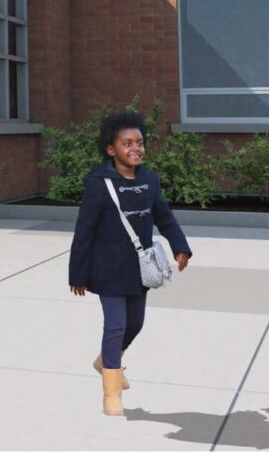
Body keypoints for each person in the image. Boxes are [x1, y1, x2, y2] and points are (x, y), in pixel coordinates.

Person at [69, 110, 192, 416]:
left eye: (139, 142)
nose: (136, 148)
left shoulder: (150, 179)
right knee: (116, 325)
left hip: (140, 269)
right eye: (127, 143)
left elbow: (163, 216)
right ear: (112, 150)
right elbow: (84, 232)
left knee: (135, 324)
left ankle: (105, 360)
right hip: (107, 269)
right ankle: (112, 395)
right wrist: (78, 273)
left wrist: (180, 246)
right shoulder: (99, 184)